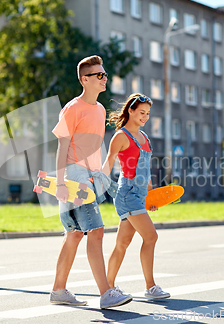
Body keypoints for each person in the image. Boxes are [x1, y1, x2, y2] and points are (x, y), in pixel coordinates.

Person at [49, 55, 132, 309]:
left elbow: (96, 148)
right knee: (95, 232)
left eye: (105, 74)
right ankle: (106, 293)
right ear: (85, 79)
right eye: (99, 75)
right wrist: (61, 182)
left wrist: (103, 177)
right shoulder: (72, 108)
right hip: (74, 177)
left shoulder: (99, 110)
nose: (104, 78)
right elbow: (62, 146)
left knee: (74, 234)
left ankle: (58, 290)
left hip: (91, 178)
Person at [102, 93, 171, 300]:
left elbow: (146, 169)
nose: (145, 117)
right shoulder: (121, 136)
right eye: (141, 112)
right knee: (151, 236)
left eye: (148, 113)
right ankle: (150, 287)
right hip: (127, 195)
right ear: (130, 111)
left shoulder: (144, 137)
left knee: (122, 244)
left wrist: (150, 196)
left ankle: (108, 287)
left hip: (140, 195)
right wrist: (95, 182)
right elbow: (108, 163)